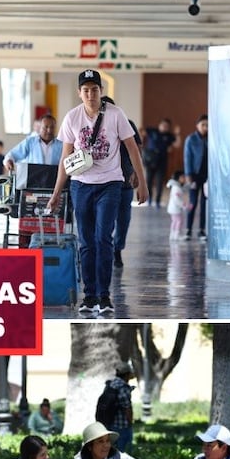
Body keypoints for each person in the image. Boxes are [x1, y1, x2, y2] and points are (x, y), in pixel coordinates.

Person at [47, 69, 149, 316]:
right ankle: (89, 295)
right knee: (86, 242)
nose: (90, 94)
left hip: (110, 185)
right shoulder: (72, 118)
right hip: (80, 185)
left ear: (101, 92)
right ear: (79, 93)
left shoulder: (116, 115)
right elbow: (65, 158)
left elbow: (132, 148)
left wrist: (142, 182)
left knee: (104, 239)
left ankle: (104, 295)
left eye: (95, 89)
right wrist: (56, 191)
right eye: (86, 90)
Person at [101, 96, 142, 268]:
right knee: (105, 218)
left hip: (125, 179)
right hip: (104, 181)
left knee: (123, 219)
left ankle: (117, 249)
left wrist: (135, 171)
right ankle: (105, 249)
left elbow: (137, 148)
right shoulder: (95, 126)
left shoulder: (127, 123)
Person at [142, 118, 179, 209]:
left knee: (159, 183)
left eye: (167, 126)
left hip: (161, 162)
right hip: (150, 161)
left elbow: (177, 144)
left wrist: (177, 134)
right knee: (149, 182)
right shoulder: (152, 131)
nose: (164, 127)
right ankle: (149, 199)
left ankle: (158, 201)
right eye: (163, 125)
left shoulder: (169, 136)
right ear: (159, 125)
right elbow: (142, 133)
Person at [184, 114, 209, 241]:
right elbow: (187, 158)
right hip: (194, 175)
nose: (205, 127)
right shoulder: (191, 139)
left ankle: (201, 230)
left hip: (207, 176)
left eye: (207, 125)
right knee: (192, 202)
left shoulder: (212, 138)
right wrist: (188, 175)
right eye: (203, 125)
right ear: (197, 126)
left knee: (205, 203)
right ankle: (188, 230)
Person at [103, 362, 136, 452]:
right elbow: (127, 408)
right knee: (124, 453)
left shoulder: (110, 385)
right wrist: (130, 423)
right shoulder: (123, 387)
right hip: (122, 425)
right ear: (127, 374)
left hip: (109, 424)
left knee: (112, 451)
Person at [166, 170, 191, 241]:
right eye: (182, 177)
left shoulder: (176, 187)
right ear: (178, 178)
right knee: (179, 221)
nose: (184, 179)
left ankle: (172, 234)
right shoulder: (176, 188)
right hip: (175, 209)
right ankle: (177, 235)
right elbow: (177, 200)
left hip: (174, 208)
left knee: (174, 221)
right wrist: (184, 205)